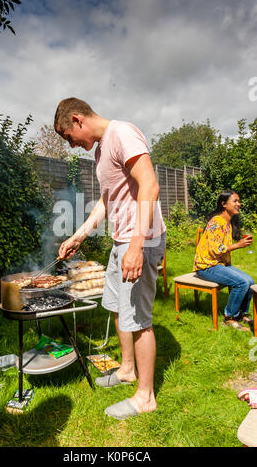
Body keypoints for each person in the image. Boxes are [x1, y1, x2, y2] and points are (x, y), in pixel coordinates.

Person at [54, 98, 166, 420]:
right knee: (117, 308)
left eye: (69, 137)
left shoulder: (122, 134)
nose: (72, 145)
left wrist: (136, 245)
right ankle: (128, 370)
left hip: (140, 241)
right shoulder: (102, 150)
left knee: (139, 320)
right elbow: (107, 201)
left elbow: (150, 185)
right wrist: (79, 235)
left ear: (77, 120)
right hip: (122, 241)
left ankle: (146, 397)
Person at [193, 190, 255, 331]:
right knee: (241, 283)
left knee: (250, 281)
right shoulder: (216, 222)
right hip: (206, 266)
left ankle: (241, 314)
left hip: (220, 264)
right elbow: (215, 249)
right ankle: (229, 318)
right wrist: (237, 245)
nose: (239, 204)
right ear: (224, 204)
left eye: (239, 201)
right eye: (235, 201)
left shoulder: (228, 222)